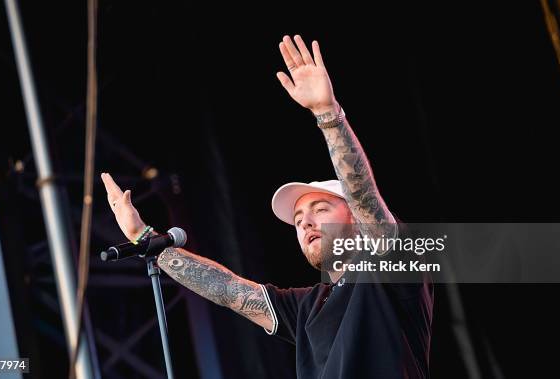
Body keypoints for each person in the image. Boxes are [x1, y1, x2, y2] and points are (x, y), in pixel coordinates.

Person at [101, 34, 433, 378]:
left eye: (320, 209)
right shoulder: (306, 307)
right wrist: (145, 236)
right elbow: (229, 290)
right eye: (299, 219)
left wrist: (327, 114)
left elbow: (365, 196)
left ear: (354, 217)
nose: (305, 223)